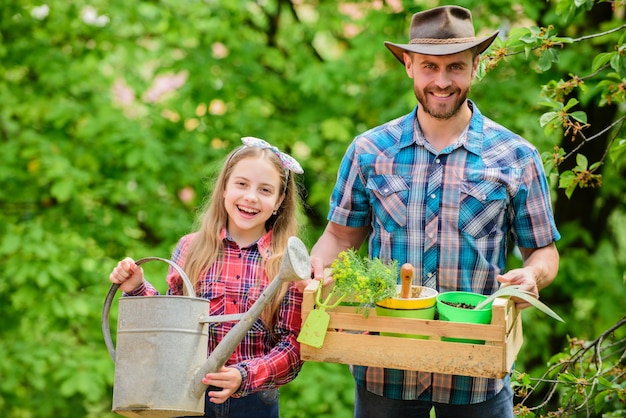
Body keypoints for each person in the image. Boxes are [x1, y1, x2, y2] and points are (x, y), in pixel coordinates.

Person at [310, 5, 560, 418]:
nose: (442, 82)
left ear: (476, 66)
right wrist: (317, 267)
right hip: (385, 367)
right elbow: (339, 236)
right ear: (408, 65)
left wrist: (532, 275)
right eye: (429, 67)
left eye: (456, 68)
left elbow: (544, 252)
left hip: (477, 370)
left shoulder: (516, 156)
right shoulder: (370, 151)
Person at [109, 136, 305, 418]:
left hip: (253, 402)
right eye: (241, 184)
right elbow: (171, 328)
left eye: (265, 190)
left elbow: (293, 347)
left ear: (279, 202)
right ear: (224, 188)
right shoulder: (191, 248)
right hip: (186, 398)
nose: (251, 196)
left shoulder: (287, 262)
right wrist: (137, 287)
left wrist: (244, 375)